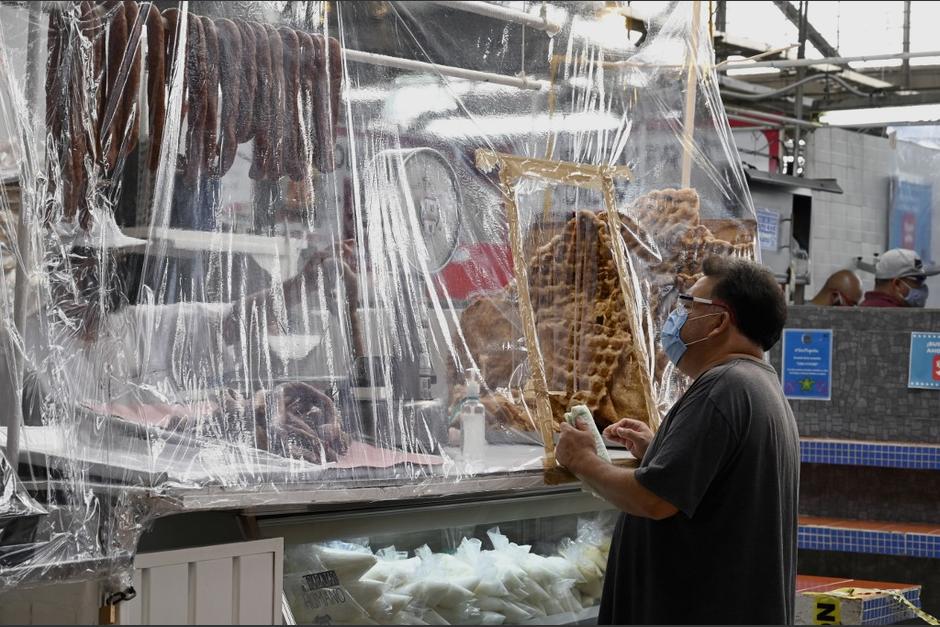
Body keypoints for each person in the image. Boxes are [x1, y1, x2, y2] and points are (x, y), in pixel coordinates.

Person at [555, 255, 799, 625]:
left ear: (719, 320)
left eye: (688, 305)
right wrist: (659, 450)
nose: (676, 317)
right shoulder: (758, 384)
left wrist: (583, 459)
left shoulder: (724, 387)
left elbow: (653, 500)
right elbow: (718, 489)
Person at [860, 248, 938, 308]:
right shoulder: (900, 318)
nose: (923, 288)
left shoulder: (862, 309)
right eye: (918, 281)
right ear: (897, 284)